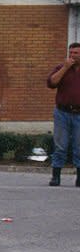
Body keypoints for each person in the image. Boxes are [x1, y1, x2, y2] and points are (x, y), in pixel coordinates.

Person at [45, 42, 80, 187]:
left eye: (76, 53)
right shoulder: (61, 68)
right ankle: (56, 176)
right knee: (60, 145)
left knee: (79, 147)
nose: (72, 56)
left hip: (79, 113)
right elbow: (51, 83)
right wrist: (65, 67)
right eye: (70, 53)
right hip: (62, 112)